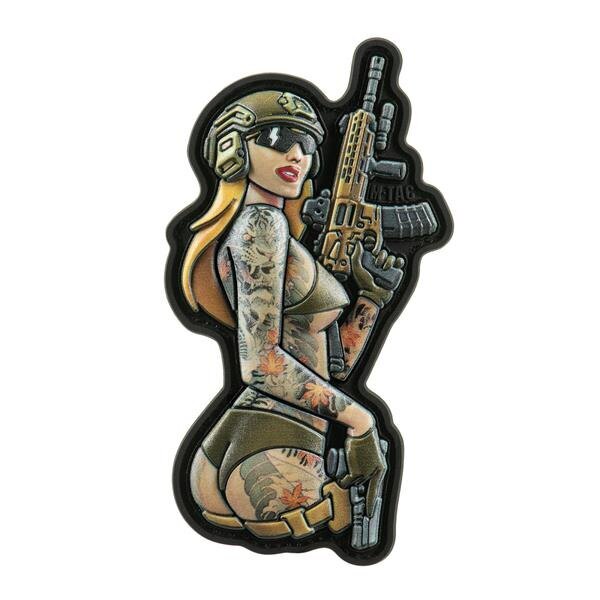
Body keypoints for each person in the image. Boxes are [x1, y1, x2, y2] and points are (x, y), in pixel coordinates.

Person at [180, 91, 402, 539]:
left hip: (244, 439)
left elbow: (327, 367)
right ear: (234, 149)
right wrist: (361, 421)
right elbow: (262, 365)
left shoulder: (275, 232)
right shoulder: (262, 224)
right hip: (278, 445)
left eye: (307, 144)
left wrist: (371, 298)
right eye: (278, 139)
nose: (296, 155)